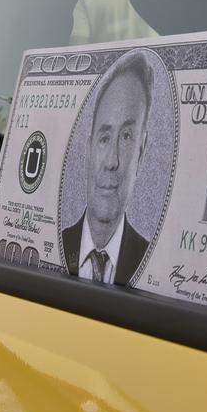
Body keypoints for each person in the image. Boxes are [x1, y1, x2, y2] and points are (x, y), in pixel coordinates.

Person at [62, 52, 154, 285]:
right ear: (88, 150)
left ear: (141, 153)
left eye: (125, 136)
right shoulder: (57, 242)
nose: (112, 161)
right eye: (104, 138)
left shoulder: (151, 259)